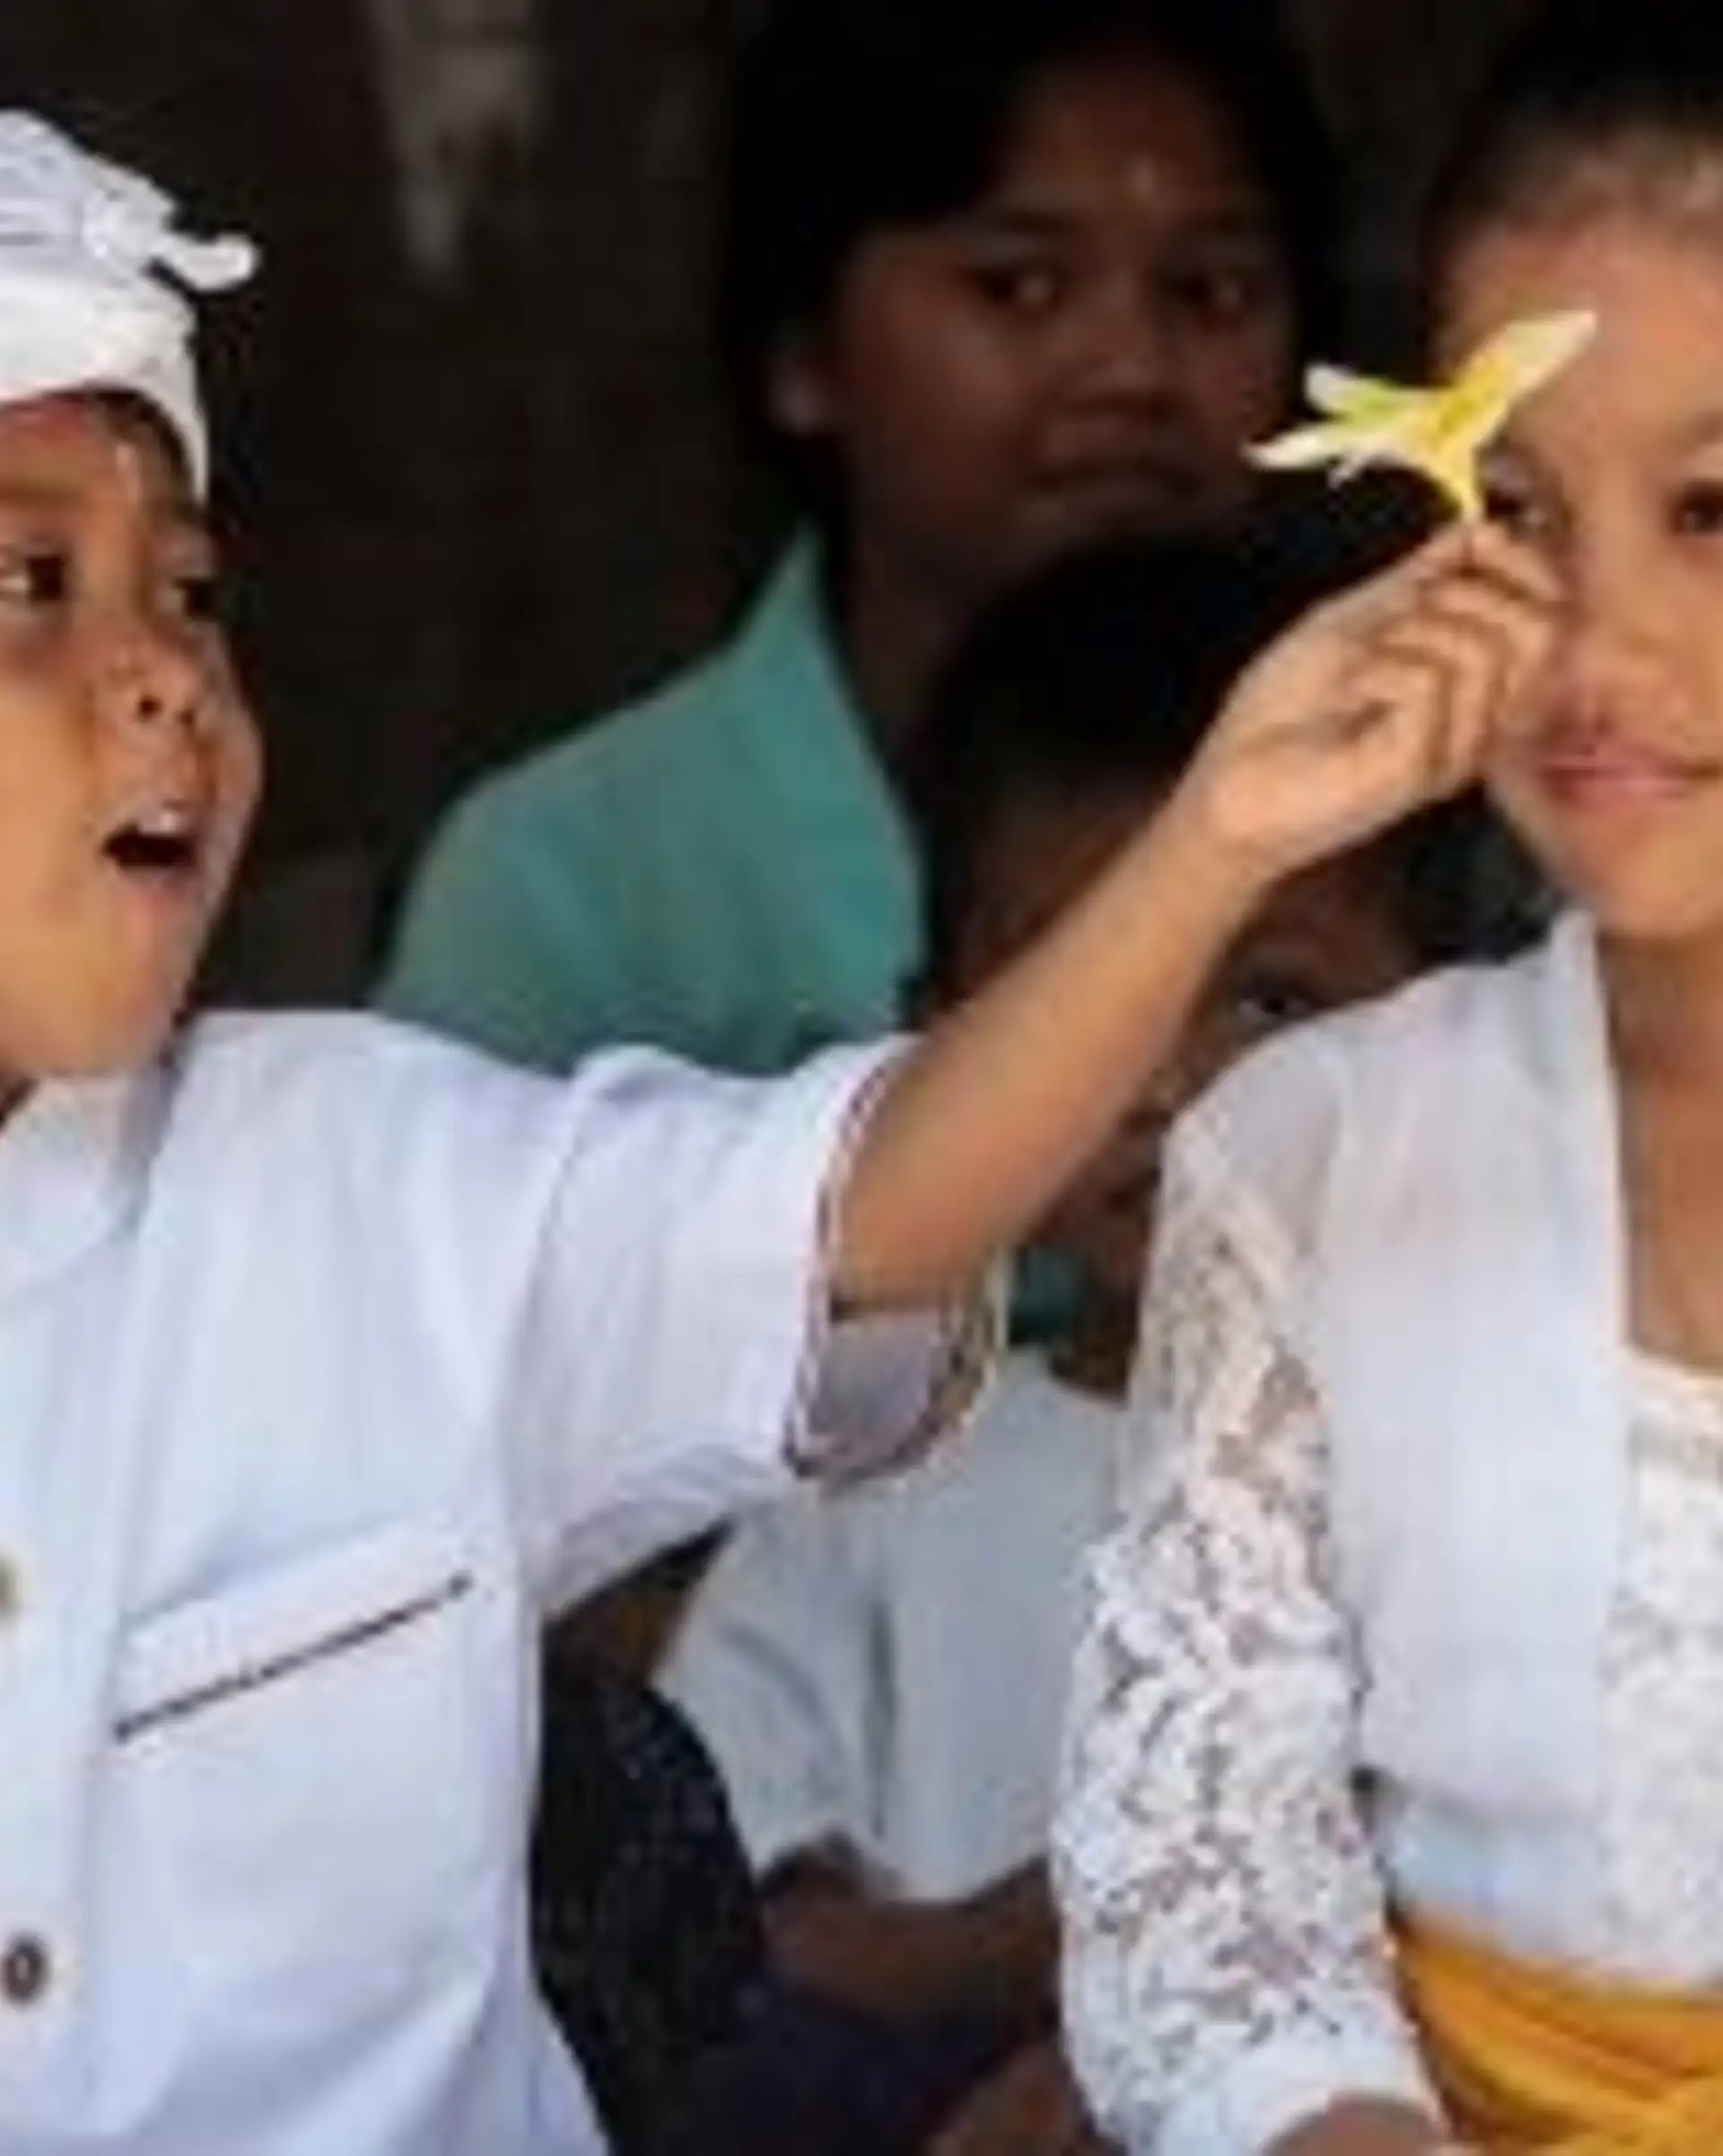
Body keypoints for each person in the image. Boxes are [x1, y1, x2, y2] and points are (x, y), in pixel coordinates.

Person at [0, 104, 1526, 2156]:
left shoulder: (378, 1190)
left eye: (189, 589)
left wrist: (1218, 838)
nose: (168, 674)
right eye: (33, 582)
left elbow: (868, 1211)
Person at [1054, 4, 1723, 2152]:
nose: (1596, 643)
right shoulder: (1315, 1154)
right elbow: (1206, 1881)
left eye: (1710, 510)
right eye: (1512, 502)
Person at [658, 530, 1466, 2156]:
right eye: (1089, 990)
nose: (1165, 1083)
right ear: (942, 1029)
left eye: (1270, 1000)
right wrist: (1061, 1942)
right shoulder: (867, 1472)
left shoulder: (1497, 1463)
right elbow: (730, 1947)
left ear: (1452, 1024)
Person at [373, 0, 1337, 1078]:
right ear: (803, 352)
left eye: (1212, 291)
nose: (1134, 370)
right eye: (1021, 285)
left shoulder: (1405, 813)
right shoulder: (568, 884)